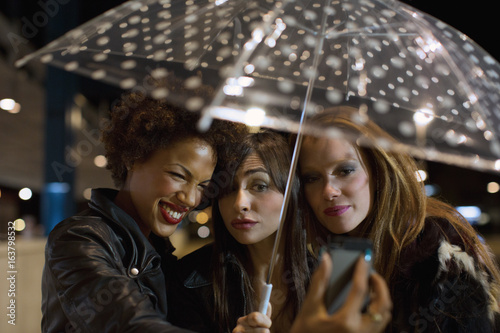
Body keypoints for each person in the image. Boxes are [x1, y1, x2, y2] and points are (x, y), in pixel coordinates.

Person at [41, 89, 247, 333]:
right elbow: (132, 324)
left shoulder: (161, 254)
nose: (191, 199)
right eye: (178, 175)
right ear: (133, 158)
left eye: (203, 186)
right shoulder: (79, 238)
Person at [297, 105, 500, 332]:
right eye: (312, 177)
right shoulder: (318, 259)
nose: (328, 191)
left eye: (345, 171)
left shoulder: (435, 248)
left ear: (378, 171)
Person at [168, 131, 392, 333]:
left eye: (260, 186)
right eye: (228, 189)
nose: (240, 204)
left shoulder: (337, 277)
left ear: (292, 192)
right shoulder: (188, 277)